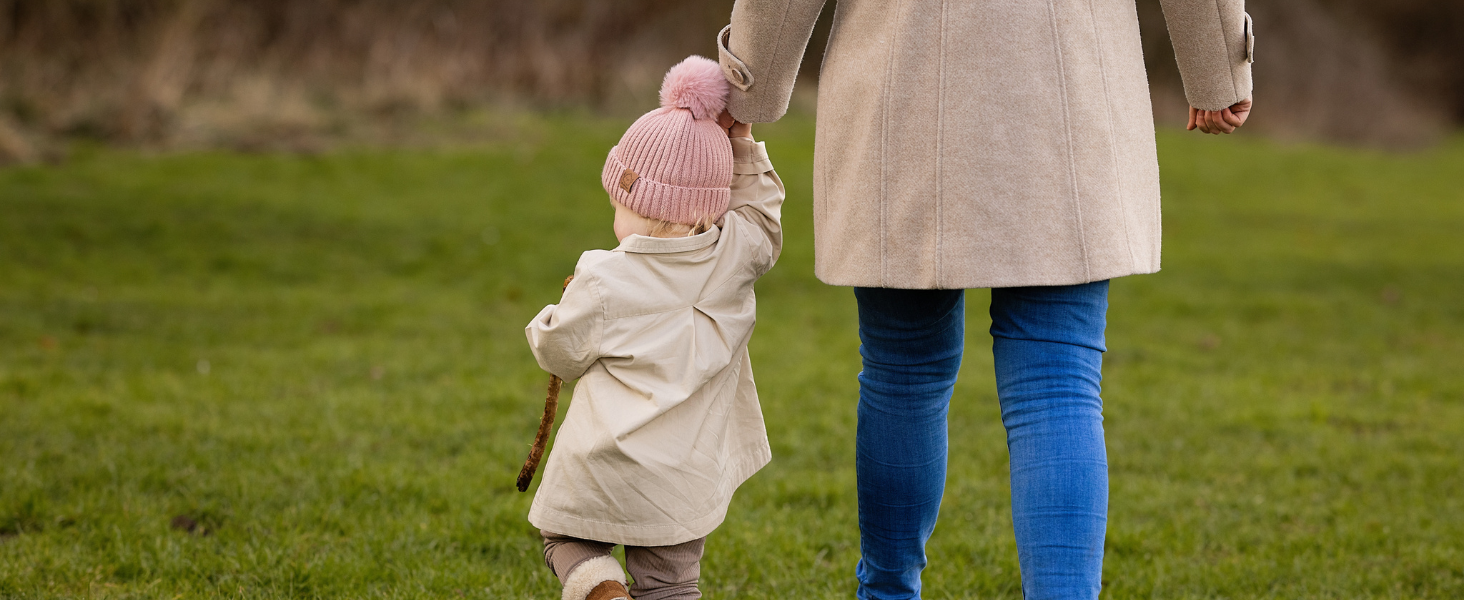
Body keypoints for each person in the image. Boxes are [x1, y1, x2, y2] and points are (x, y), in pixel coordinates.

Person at [715, 0, 1254, 598]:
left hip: (901, 74)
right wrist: (1218, 67)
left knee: (903, 371)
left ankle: (888, 593)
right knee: (1058, 378)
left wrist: (748, 87)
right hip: (1066, 78)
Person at [523, 55, 785, 600]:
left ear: (639, 203)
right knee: (671, 585)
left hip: (605, 467)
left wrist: (552, 314)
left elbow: (559, 354)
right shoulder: (734, 257)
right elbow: (762, 216)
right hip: (684, 480)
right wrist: (742, 145)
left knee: (562, 539)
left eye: (618, 202)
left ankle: (604, 591)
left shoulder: (604, 279)